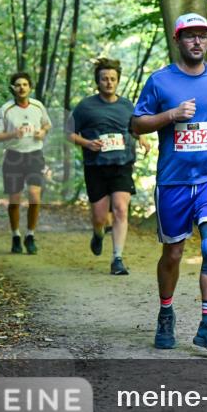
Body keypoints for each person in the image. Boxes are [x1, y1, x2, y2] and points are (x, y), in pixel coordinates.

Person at [131, 13, 207, 350]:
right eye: (189, 36)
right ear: (177, 40)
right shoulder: (160, 81)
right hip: (174, 181)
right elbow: (137, 125)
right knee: (173, 254)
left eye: (202, 36)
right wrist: (171, 116)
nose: (197, 42)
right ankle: (165, 313)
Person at [68, 58, 150, 275]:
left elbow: (135, 128)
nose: (109, 82)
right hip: (96, 166)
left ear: (117, 81)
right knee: (100, 218)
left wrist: (141, 138)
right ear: (98, 81)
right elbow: (69, 133)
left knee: (121, 209)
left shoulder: (126, 106)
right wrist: (87, 143)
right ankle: (98, 234)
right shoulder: (86, 106)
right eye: (104, 79)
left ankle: (118, 258)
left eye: (113, 79)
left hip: (122, 164)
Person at [0, 71, 52, 254]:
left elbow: (46, 124)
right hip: (13, 156)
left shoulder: (37, 106)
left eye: (25, 84)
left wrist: (43, 132)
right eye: (18, 85)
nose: (21, 87)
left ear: (30, 88)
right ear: (13, 88)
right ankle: (16, 235)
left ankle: (30, 235)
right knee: (14, 200)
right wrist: (12, 134)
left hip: (34, 155)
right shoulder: (6, 109)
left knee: (34, 196)